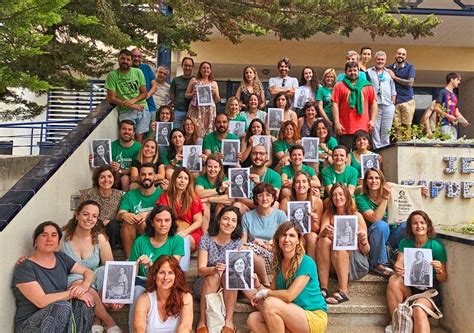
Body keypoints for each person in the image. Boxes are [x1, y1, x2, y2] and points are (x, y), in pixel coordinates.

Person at [12, 222, 95, 332]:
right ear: (35, 240)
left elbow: (88, 272)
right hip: (30, 324)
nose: (49, 239)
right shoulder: (25, 267)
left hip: (59, 319)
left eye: (54, 235)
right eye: (44, 235)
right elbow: (41, 301)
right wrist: (75, 293)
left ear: (58, 241)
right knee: (62, 306)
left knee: (86, 301)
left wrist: (84, 287)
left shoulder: (61, 258)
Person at [247, 222, 328, 333]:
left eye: (291, 235)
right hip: (291, 313)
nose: (286, 239)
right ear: (278, 239)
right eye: (283, 235)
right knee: (253, 320)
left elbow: (289, 295)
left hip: (312, 316)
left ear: (298, 240)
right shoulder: (279, 263)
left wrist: (265, 293)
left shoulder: (306, 262)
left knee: (270, 303)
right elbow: (273, 292)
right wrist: (258, 286)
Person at [61, 200, 122, 332]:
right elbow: (47, 256)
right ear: (77, 215)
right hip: (72, 280)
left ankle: (96, 319)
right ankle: (109, 321)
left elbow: (111, 268)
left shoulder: (99, 238)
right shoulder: (62, 237)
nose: (90, 219)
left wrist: (117, 297)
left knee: (104, 271)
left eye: (94, 216)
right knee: (77, 279)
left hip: (94, 280)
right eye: (86, 214)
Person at [385, 210, 447, 333]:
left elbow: (443, 278)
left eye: (422, 223)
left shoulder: (435, 246)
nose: (419, 226)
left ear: (428, 225)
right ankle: (398, 321)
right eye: (415, 223)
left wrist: (439, 270)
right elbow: (399, 261)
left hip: (428, 290)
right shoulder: (405, 242)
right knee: (393, 279)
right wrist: (398, 267)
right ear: (410, 227)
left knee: (418, 309)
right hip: (410, 286)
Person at [128, 205, 185, 332]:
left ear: (172, 223)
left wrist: (150, 265)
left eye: (167, 220)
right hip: (143, 280)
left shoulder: (177, 241)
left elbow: (173, 268)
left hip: (167, 281)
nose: (163, 224)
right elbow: (132, 270)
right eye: (158, 220)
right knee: (137, 292)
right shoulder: (140, 241)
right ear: (152, 223)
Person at [195, 206, 251, 333]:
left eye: (233, 220)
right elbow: (201, 270)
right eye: (226, 219)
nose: (229, 223)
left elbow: (239, 270)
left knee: (229, 276)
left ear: (236, 224)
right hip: (206, 282)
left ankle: (229, 321)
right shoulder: (206, 239)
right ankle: (202, 321)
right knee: (213, 276)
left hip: (228, 284)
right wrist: (214, 270)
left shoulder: (237, 242)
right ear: (219, 220)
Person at [316, 183, 370, 304]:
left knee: (339, 245)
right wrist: (324, 232)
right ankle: (323, 288)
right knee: (323, 240)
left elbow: (366, 250)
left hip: (354, 261)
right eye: (334, 195)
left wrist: (363, 239)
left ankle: (343, 291)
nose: (337, 197)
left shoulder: (357, 216)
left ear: (347, 196)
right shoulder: (328, 214)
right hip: (332, 260)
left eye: (341, 194)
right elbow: (319, 239)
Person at [133, 256, 193, 333]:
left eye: (170, 273)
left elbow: (185, 327)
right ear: (155, 275)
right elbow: (138, 328)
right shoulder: (144, 299)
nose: (166, 277)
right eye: (161, 272)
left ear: (176, 276)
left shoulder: (186, 298)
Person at [118, 163, 164, 258]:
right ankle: (130, 260)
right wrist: (124, 215)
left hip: (154, 229)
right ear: (139, 176)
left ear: (155, 176)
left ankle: (152, 256)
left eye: (150, 174)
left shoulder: (162, 194)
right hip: (134, 229)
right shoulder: (130, 195)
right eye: (143, 174)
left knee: (144, 222)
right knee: (127, 222)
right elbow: (120, 214)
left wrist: (147, 214)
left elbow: (166, 214)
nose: (147, 177)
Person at [242, 183, 287, 275]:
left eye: (268, 195)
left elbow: (284, 241)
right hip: (252, 252)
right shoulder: (247, 216)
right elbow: (243, 242)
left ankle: (264, 280)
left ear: (273, 198)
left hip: (273, 253)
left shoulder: (280, 215)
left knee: (248, 250)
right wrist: (255, 245)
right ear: (255, 198)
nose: (264, 198)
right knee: (245, 250)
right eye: (260, 195)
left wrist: (266, 246)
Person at [105, 49, 149, 142]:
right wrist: (132, 105)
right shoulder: (112, 75)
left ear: (132, 61)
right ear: (118, 59)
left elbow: (144, 93)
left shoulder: (138, 72)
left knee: (140, 138)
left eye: (128, 59)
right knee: (127, 138)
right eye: (122, 58)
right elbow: (111, 98)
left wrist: (133, 101)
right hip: (125, 111)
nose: (125, 61)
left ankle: (137, 156)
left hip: (142, 108)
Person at [156, 167, 204, 252]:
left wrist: (185, 232)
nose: (182, 181)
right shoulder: (165, 196)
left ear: (188, 182)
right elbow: (160, 215)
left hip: (191, 232)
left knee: (183, 241)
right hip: (169, 230)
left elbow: (198, 222)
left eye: (186, 178)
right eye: (179, 177)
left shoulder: (194, 198)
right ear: (174, 179)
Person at [280, 171, 323, 262]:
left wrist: (313, 221)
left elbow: (317, 230)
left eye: (304, 181)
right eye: (297, 182)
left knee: (312, 236)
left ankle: (311, 269)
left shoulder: (317, 202)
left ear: (309, 185)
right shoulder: (286, 201)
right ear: (294, 186)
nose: (301, 185)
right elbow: (281, 226)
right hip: (291, 233)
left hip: (308, 233)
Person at [332, 61, 377, 148]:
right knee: (346, 155)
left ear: (358, 71)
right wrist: (337, 122)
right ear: (345, 72)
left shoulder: (367, 85)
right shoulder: (339, 86)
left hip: (363, 127)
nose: (353, 73)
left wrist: (372, 120)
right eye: (350, 71)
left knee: (362, 154)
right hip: (345, 128)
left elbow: (373, 103)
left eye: (355, 70)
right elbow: (335, 105)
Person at [80, 165, 124, 249]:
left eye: (109, 176)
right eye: (102, 177)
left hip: (112, 230)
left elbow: (122, 215)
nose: (106, 180)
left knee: (113, 225)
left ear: (114, 179)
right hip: (93, 226)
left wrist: (110, 221)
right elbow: (81, 214)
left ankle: (108, 251)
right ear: (97, 179)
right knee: (98, 223)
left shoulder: (121, 195)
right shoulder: (87, 194)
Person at [235, 144, 282, 213]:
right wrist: (260, 205)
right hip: (248, 208)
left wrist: (259, 184)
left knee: (275, 204)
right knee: (237, 205)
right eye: (254, 153)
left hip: (266, 209)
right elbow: (240, 199)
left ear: (266, 157)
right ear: (250, 156)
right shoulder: (242, 173)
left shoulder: (275, 175)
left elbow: (274, 197)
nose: (258, 156)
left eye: (261, 153)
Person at [367, 50, 397, 148]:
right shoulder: (369, 72)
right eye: (378, 59)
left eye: (382, 60)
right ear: (375, 60)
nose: (380, 61)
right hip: (375, 105)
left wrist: (393, 102)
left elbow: (393, 88)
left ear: (385, 61)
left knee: (386, 130)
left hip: (388, 105)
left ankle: (385, 150)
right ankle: (377, 149)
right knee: (375, 129)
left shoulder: (389, 73)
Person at [195, 155, 232, 229]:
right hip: (205, 209)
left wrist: (209, 199)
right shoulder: (201, 179)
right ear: (205, 167)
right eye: (209, 166)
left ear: (220, 168)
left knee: (221, 204)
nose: (212, 169)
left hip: (218, 208)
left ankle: (217, 230)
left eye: (215, 167)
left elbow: (230, 198)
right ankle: (204, 236)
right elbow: (198, 194)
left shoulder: (225, 179)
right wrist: (219, 190)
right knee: (205, 204)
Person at [388, 48, 416, 139]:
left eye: (403, 54)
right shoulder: (389, 68)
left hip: (407, 100)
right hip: (395, 102)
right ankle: (398, 147)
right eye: (399, 53)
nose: (401, 56)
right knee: (397, 127)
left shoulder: (410, 67)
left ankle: (407, 146)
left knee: (407, 126)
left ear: (405, 56)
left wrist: (394, 77)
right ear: (395, 55)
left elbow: (410, 83)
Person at [186, 61, 220, 136]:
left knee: (208, 131)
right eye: (203, 68)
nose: (206, 70)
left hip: (209, 110)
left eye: (208, 68)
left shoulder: (214, 83)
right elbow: (186, 95)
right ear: (200, 70)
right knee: (195, 129)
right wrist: (192, 94)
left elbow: (217, 100)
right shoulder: (194, 80)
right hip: (196, 109)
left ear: (210, 70)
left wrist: (215, 93)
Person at [434, 72, 470, 139]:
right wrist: (448, 116)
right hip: (444, 124)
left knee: (453, 146)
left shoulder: (454, 95)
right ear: (451, 79)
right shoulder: (442, 92)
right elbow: (436, 108)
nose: (459, 82)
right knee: (448, 146)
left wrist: (463, 120)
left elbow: (456, 111)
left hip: (454, 125)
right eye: (457, 79)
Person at [110, 120, 142, 191]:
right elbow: (105, 165)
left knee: (125, 178)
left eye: (130, 129)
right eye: (124, 129)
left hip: (132, 177)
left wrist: (120, 170)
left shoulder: (139, 148)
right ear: (119, 131)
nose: (126, 132)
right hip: (114, 177)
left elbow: (136, 167)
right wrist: (95, 159)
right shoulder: (111, 146)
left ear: (133, 133)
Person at [131, 48, 158, 115]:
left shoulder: (146, 67)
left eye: (139, 56)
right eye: (134, 56)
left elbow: (154, 86)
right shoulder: (127, 70)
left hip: (150, 106)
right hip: (132, 107)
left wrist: (146, 96)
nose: (137, 58)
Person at [170, 57, 194, 129]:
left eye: (189, 66)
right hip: (178, 111)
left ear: (192, 67)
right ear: (182, 66)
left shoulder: (195, 80)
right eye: (185, 65)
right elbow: (172, 94)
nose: (187, 67)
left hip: (191, 112)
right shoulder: (176, 80)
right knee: (175, 131)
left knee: (189, 133)